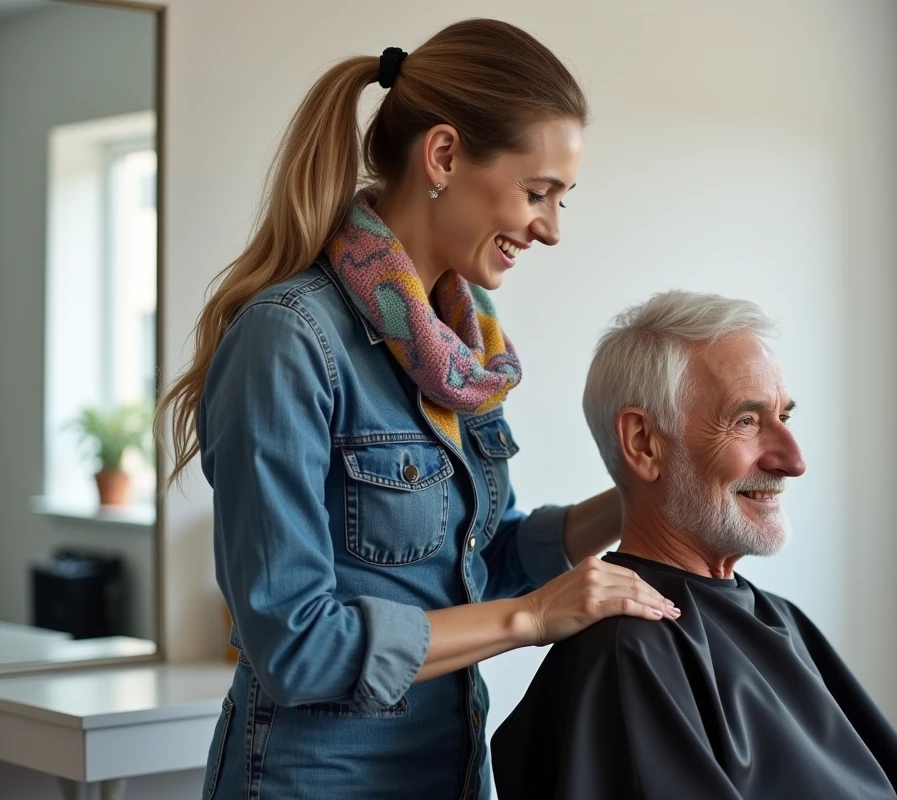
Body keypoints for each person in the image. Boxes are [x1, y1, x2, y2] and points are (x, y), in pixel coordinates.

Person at [156, 19, 680, 800]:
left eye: (562, 199)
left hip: (451, 772)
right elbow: (294, 644)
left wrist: (636, 500)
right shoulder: (289, 341)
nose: (551, 228)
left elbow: (478, 562)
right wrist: (531, 617)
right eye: (538, 193)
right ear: (442, 157)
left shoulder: (451, 355)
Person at [492, 291, 897, 800]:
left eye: (785, 418)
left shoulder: (779, 618)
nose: (794, 460)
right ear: (644, 442)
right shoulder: (630, 649)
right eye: (747, 421)